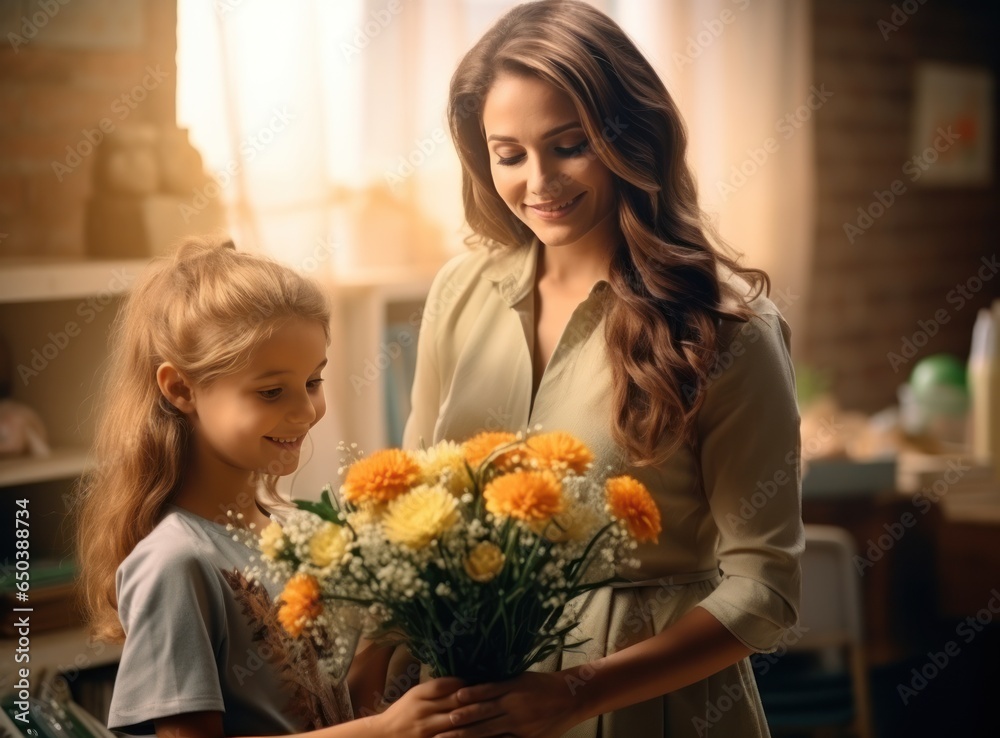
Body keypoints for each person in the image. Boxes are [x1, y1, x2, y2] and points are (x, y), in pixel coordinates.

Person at [402, 2, 803, 736]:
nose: (538, 181)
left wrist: (578, 692)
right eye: (509, 153)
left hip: (655, 712)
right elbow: (413, 512)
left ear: (630, 137)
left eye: (569, 144)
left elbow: (765, 588)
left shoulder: (726, 325)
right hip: (470, 705)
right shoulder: (457, 293)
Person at [76, 238, 493, 738]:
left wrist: (389, 627)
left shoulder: (302, 527)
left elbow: (334, 711)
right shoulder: (176, 563)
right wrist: (387, 731)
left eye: (313, 382)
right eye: (271, 391)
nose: (305, 412)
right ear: (181, 389)